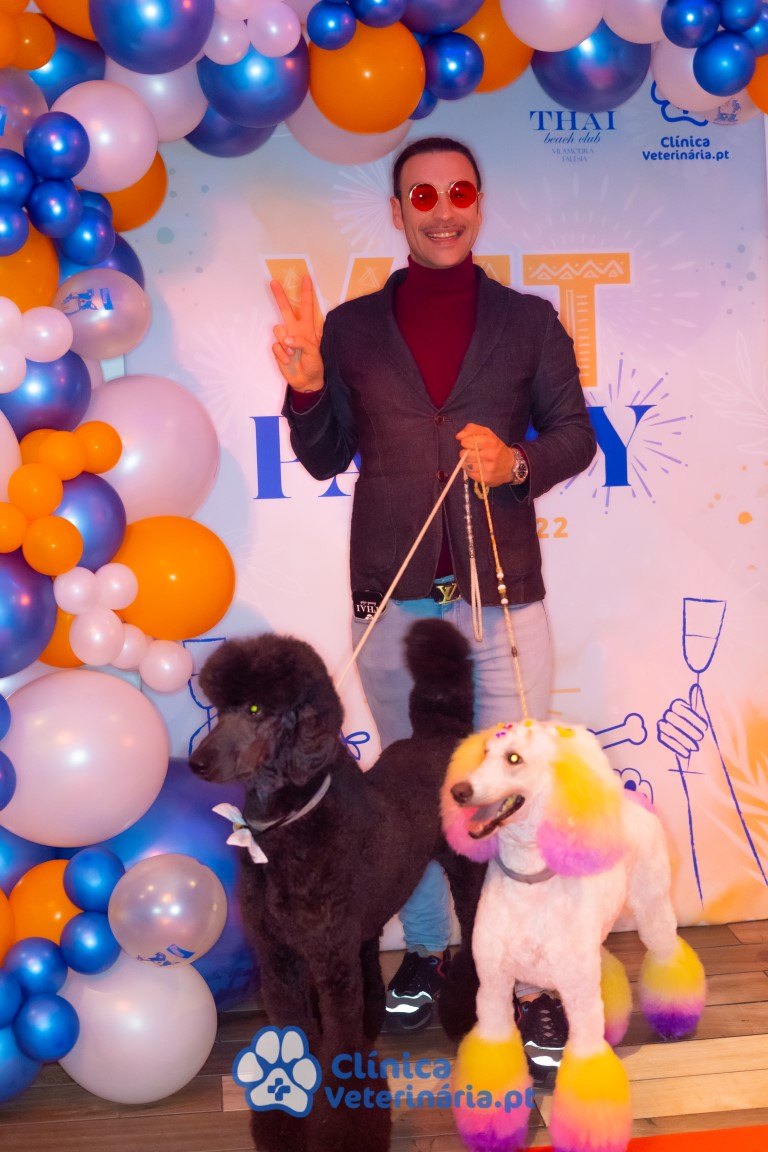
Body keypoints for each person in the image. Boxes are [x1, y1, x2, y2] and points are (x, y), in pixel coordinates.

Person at [269, 136, 596, 1071]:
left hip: (501, 602)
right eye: (423, 195)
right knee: (411, 795)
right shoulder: (350, 328)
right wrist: (306, 386)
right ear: (397, 211)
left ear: (478, 203)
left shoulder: (529, 321)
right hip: (395, 604)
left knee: (515, 796)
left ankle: (527, 985)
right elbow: (324, 457)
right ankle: (431, 953)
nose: (443, 209)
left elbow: (575, 436)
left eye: (459, 191)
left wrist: (517, 462)